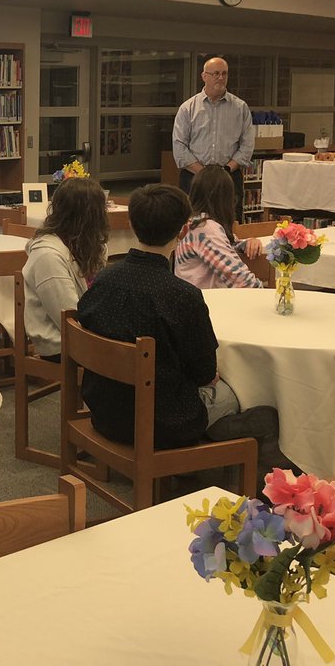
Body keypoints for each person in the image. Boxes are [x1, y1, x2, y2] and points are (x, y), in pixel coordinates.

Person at [75, 184, 285, 478]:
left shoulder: (103, 281)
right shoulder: (182, 296)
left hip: (105, 410)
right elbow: (204, 374)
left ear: (133, 225)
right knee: (247, 391)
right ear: (184, 230)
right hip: (160, 421)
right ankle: (209, 460)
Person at [22, 176, 109, 361]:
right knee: (131, 361)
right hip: (59, 343)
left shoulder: (92, 246)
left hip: (86, 331)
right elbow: (68, 317)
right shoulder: (47, 255)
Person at [172, 56, 255, 221]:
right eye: (216, 73)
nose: (221, 78)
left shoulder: (240, 108)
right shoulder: (188, 108)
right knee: (191, 223)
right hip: (194, 177)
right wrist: (204, 173)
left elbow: (247, 145)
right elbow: (179, 146)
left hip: (229, 177)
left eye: (224, 74)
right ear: (204, 76)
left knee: (231, 222)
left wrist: (226, 170)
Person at [174, 165, 263, 290]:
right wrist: (266, 294)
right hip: (207, 303)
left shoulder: (196, 222)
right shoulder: (206, 229)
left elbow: (225, 245)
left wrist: (245, 244)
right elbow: (237, 277)